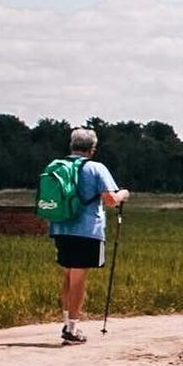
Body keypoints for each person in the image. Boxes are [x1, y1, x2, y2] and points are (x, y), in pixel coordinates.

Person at [48, 127, 130, 345]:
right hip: (86, 231)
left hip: (60, 227)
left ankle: (67, 322)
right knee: (78, 279)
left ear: (72, 145)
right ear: (92, 149)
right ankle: (72, 328)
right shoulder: (95, 168)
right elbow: (110, 200)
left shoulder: (57, 166)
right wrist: (123, 194)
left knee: (67, 276)